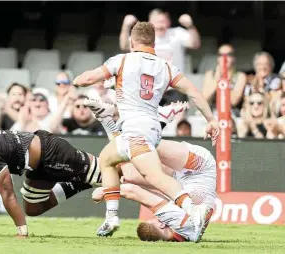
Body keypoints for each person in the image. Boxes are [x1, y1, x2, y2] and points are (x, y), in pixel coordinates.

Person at [0, 101, 187, 238]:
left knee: (123, 173)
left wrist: (22, 230)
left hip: (52, 153)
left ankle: (159, 124)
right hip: (35, 167)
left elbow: (6, 191)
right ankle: (76, 183)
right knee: (33, 207)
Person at [73, 21, 219, 237]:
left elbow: (86, 79)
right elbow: (194, 92)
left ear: (131, 42)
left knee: (155, 177)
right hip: (148, 128)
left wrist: (78, 80)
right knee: (107, 159)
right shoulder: (167, 67)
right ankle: (111, 217)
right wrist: (211, 119)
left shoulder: (121, 60)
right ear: (154, 42)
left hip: (137, 129)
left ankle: (193, 211)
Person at [92, 139, 216, 242]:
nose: (159, 217)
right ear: (162, 225)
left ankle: (99, 169)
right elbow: (133, 192)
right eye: (158, 219)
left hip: (180, 179)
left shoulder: (186, 236)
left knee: (130, 173)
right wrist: (105, 192)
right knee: (143, 142)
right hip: (199, 167)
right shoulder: (175, 221)